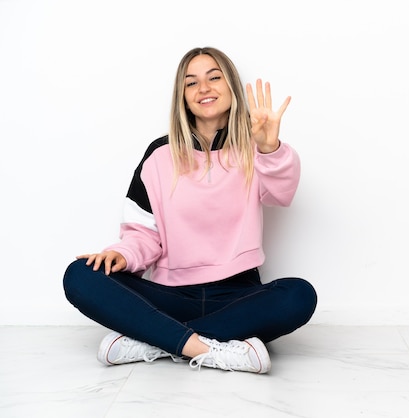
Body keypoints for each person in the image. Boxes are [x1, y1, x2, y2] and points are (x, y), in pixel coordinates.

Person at [63, 46, 317, 374]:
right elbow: (142, 233)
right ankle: (207, 347)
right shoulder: (160, 153)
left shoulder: (255, 149)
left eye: (214, 77)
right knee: (80, 274)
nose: (204, 88)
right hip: (169, 296)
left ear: (231, 87)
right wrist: (123, 256)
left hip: (237, 294)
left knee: (299, 295)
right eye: (191, 83)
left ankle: (154, 339)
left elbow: (282, 194)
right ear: (182, 96)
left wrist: (269, 148)